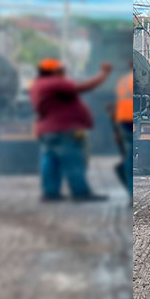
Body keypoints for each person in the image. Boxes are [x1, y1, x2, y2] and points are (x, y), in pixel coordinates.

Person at [30, 58, 112, 202]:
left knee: (51, 161)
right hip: (64, 129)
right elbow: (83, 87)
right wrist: (103, 74)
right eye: (60, 70)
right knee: (74, 161)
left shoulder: (38, 85)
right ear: (53, 71)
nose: (63, 72)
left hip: (48, 129)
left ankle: (50, 193)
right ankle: (80, 192)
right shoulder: (54, 83)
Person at [115, 63, 134, 199]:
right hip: (130, 118)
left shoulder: (122, 81)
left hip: (123, 118)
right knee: (129, 155)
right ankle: (130, 191)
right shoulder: (132, 80)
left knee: (127, 152)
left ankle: (128, 188)